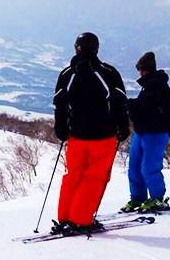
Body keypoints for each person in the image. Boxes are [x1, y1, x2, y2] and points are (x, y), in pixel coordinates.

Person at [52, 32, 130, 234]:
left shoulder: (67, 74)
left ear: (76, 48)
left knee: (73, 176)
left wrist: (61, 128)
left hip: (76, 136)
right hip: (104, 136)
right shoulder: (108, 73)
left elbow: (60, 103)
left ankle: (65, 217)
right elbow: (120, 102)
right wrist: (123, 127)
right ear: (96, 49)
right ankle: (81, 219)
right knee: (95, 178)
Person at [121, 51, 170, 213]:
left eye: (142, 69)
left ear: (147, 69)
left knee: (149, 167)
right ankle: (138, 198)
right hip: (142, 131)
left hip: (155, 132)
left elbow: (144, 106)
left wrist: (127, 105)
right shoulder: (150, 85)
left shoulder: (156, 85)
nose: (140, 72)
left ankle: (157, 198)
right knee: (135, 167)